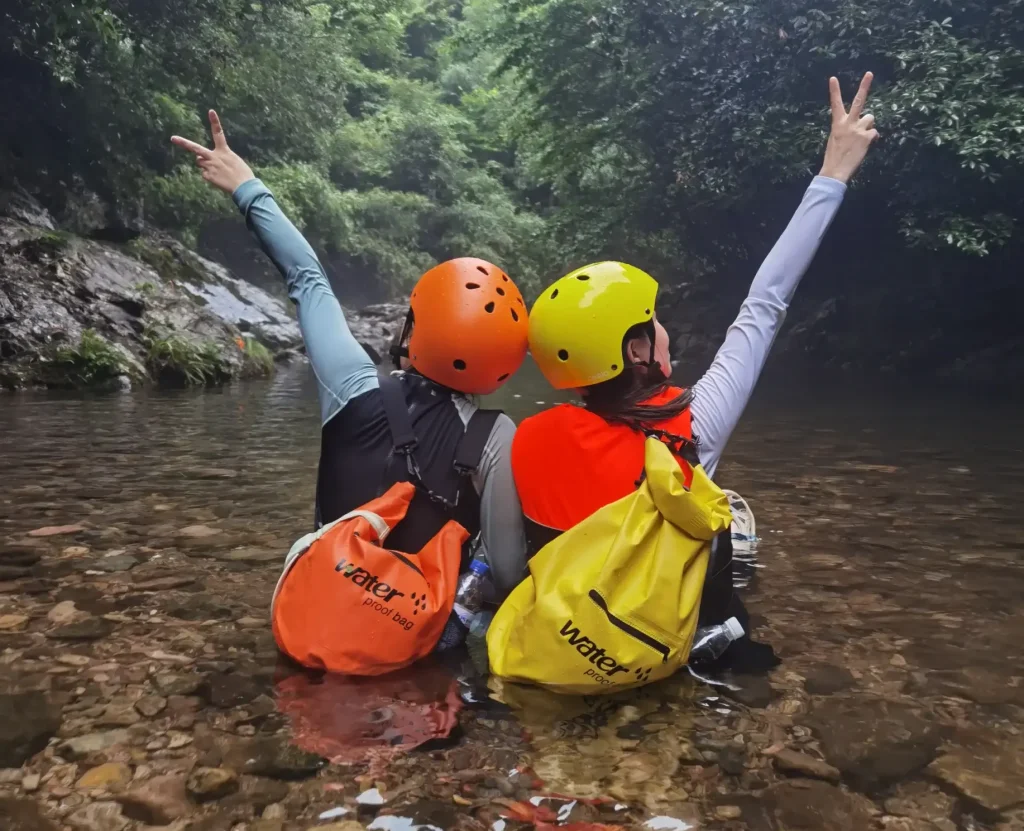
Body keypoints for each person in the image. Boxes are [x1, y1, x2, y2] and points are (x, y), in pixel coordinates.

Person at [511, 73, 880, 659]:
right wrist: (832, 175)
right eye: (652, 319)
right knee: (715, 508)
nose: (664, 328)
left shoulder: (528, 439)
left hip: (560, 640)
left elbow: (511, 563)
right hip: (648, 645)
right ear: (635, 352)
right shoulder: (692, 426)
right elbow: (765, 304)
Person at [172, 111, 529, 594]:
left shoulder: (351, 382)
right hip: (413, 636)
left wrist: (247, 186)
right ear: (503, 362)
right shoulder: (496, 435)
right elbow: (506, 572)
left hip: (321, 611)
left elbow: (305, 277)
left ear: (414, 329)